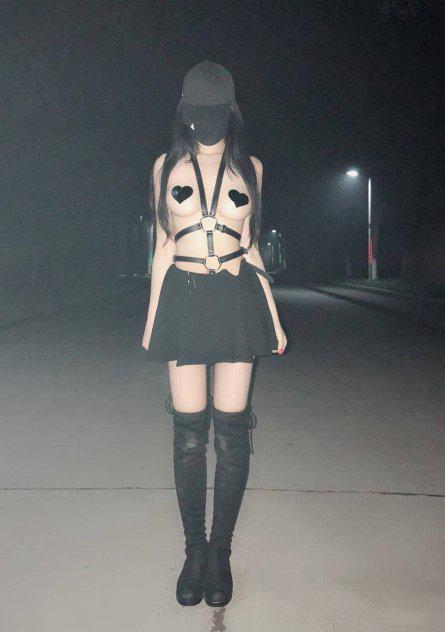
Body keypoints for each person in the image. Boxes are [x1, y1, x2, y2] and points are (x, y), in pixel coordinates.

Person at [141, 60, 287, 608]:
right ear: (185, 112)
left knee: (230, 435)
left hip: (235, 299)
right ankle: (193, 551)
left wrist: (273, 318)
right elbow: (162, 248)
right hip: (183, 298)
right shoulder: (164, 167)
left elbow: (251, 248)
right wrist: (151, 324)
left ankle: (219, 552)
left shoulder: (251, 167)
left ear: (231, 112)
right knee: (188, 435)